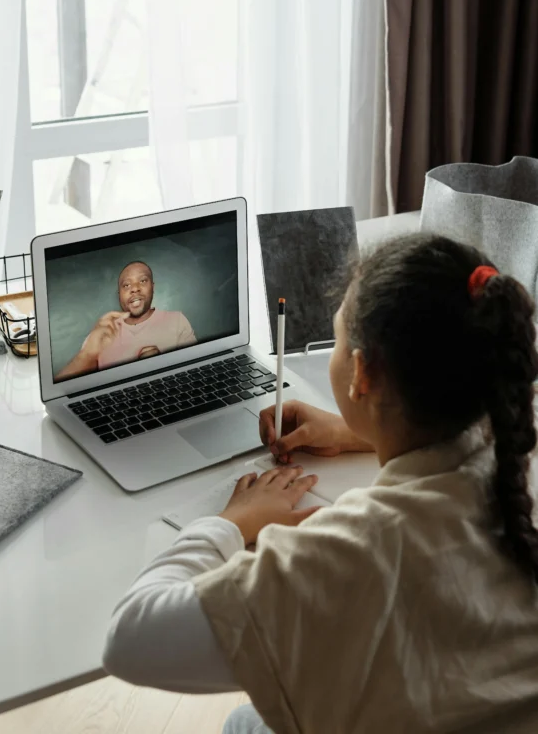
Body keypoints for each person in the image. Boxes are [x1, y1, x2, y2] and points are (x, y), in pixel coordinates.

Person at [103, 234, 538, 733]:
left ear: (360, 374)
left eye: (337, 338)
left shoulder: (348, 554)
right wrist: (360, 429)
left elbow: (130, 638)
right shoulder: (521, 435)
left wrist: (231, 522)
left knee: (243, 726)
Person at [55, 260, 196, 380]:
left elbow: (194, 375)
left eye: (142, 281)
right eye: (126, 285)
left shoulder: (177, 320)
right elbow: (63, 390)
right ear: (119, 294)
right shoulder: (103, 333)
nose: (135, 289)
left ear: (152, 287)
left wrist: (159, 364)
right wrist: (87, 354)